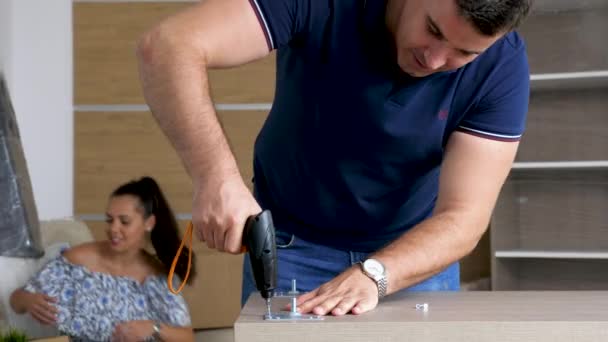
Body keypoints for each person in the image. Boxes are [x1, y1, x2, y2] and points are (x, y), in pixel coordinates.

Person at [136, 0, 532, 317]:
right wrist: (216, 179)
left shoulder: (502, 65)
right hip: (294, 248)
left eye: (463, 52)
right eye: (432, 30)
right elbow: (169, 46)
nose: (433, 61)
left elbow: (464, 218)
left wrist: (377, 274)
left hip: (413, 260)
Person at [10, 177, 196, 341]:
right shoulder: (78, 262)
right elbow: (16, 301)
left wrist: (153, 328)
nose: (113, 229)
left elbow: (187, 337)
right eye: (109, 220)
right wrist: (28, 300)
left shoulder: (158, 277)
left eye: (124, 221)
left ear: (149, 223)